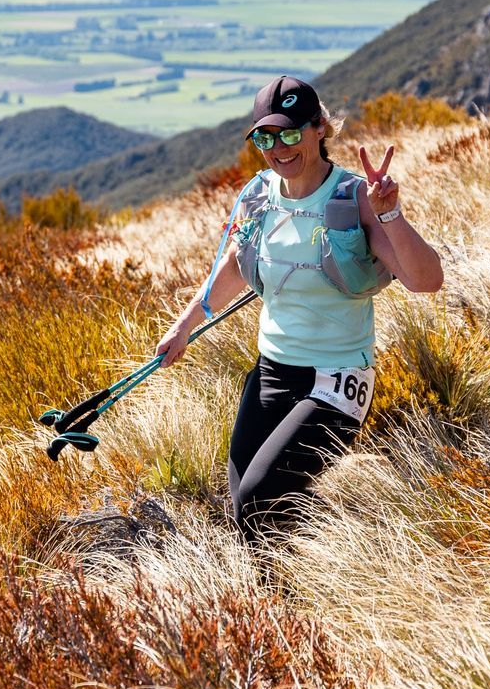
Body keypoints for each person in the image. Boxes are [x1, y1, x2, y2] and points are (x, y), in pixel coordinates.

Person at [154, 75, 443, 546]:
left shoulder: (353, 198)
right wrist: (184, 326)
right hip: (271, 373)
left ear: (320, 129)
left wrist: (389, 212)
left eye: (290, 133)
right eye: (265, 137)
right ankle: (282, 606)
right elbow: (232, 264)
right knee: (246, 506)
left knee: (259, 502)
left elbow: (426, 281)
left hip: (336, 381)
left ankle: (315, 590)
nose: (278, 148)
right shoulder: (256, 194)